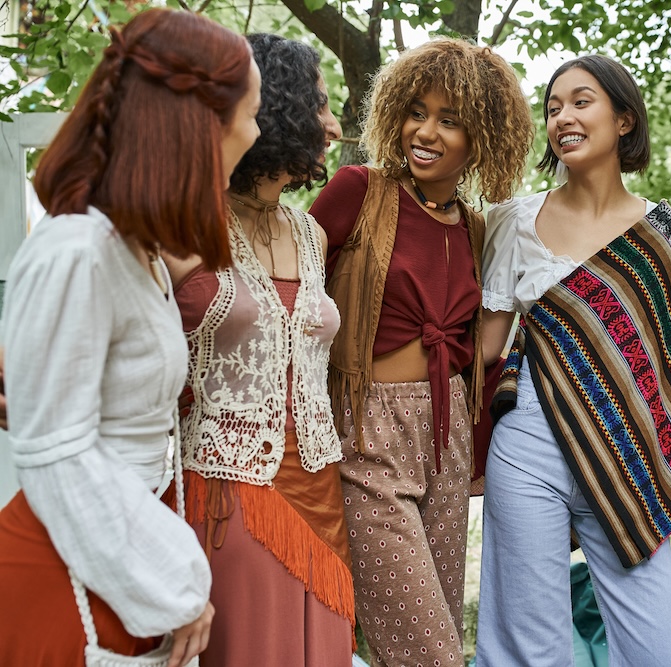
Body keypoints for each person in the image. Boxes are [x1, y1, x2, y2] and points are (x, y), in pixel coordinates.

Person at [0, 8, 260, 667]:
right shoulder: (76, 249)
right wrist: (175, 587)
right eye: (251, 114)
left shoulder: (131, 249)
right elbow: (58, 452)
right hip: (66, 583)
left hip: (113, 568)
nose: (257, 134)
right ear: (201, 127)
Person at [308, 38, 534, 667]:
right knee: (428, 650)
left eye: (451, 120)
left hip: (446, 441)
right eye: (416, 111)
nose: (425, 131)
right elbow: (288, 291)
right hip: (366, 431)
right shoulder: (359, 191)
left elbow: (481, 353)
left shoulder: (476, 227)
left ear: (481, 138)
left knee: (428, 639)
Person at [474, 54, 671, 667]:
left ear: (624, 119)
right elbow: (486, 351)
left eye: (581, 101)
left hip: (628, 456)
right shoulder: (513, 220)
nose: (563, 117)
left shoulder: (663, 231)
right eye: (552, 108)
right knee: (528, 646)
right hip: (529, 450)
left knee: (661, 651)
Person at [162, 34, 353, 667]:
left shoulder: (311, 233)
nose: (331, 123)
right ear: (280, 108)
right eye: (321, 104)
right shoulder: (184, 223)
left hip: (323, 489)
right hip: (230, 492)